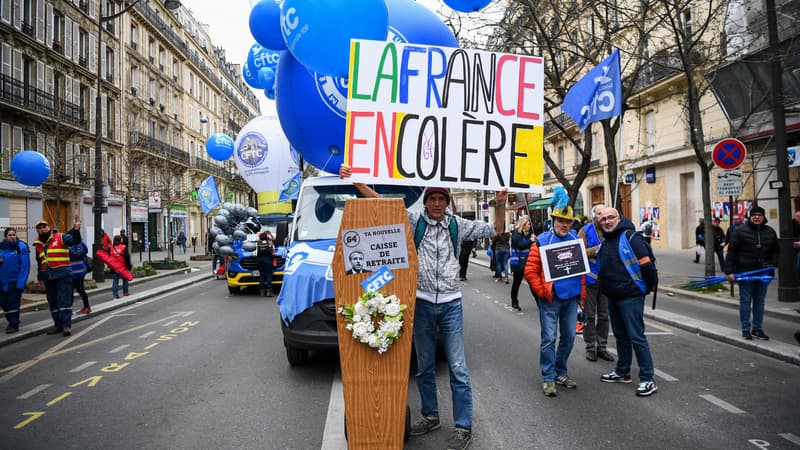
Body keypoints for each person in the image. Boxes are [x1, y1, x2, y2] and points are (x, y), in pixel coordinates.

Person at [339, 164, 506, 450]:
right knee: (424, 367)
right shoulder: (414, 222)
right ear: (426, 201)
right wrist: (356, 181)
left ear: (447, 202)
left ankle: (463, 426)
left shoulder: (458, 225)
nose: (437, 204)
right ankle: (430, 415)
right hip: (422, 303)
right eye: (433, 199)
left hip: (452, 303)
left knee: (458, 367)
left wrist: (500, 205)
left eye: (442, 199)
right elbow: (381, 203)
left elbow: (496, 229)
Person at [524, 203, 585, 397]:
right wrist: (542, 291)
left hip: (571, 298)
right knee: (549, 338)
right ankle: (548, 377)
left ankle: (560, 372)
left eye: (568, 221)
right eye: (561, 220)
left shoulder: (576, 239)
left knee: (569, 337)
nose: (564, 225)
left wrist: (582, 295)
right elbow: (530, 271)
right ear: (554, 221)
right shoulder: (541, 241)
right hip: (551, 299)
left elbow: (581, 269)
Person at [596, 207, 659, 397]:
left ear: (619, 218)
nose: (607, 221)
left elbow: (647, 264)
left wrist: (647, 287)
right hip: (613, 296)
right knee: (621, 336)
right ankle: (623, 372)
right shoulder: (607, 240)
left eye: (610, 218)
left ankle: (648, 379)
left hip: (630, 296)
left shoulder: (632, 237)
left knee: (636, 337)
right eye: (603, 219)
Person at [724, 206, 779, 340]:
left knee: (759, 302)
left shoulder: (770, 232)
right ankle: (746, 329)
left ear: (763, 217)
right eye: (754, 214)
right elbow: (731, 253)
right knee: (745, 301)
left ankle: (757, 329)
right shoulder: (740, 231)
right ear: (750, 216)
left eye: (760, 214)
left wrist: (773, 263)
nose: (757, 217)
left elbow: (776, 251)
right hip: (745, 272)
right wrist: (729, 271)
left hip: (763, 272)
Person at [578, 204, 614, 363]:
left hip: (607, 279)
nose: (602, 217)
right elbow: (579, 252)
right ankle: (590, 348)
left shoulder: (611, 229)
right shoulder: (584, 231)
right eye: (599, 214)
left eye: (604, 214)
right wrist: (597, 249)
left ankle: (602, 347)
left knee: (605, 316)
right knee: (590, 315)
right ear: (594, 216)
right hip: (590, 279)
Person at [34, 219, 82, 337]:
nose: (42, 229)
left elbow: (76, 241)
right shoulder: (38, 244)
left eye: (44, 226)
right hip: (48, 277)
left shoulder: (60, 237)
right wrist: (40, 277)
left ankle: (66, 325)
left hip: (63, 275)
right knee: (53, 301)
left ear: (49, 227)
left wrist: (76, 230)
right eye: (39, 228)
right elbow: (40, 262)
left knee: (64, 300)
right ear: (37, 231)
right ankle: (58, 325)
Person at [0, 228, 31, 334]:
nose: (13, 236)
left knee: (13, 303)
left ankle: (14, 325)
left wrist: (21, 282)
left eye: (14, 234)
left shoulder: (21, 246)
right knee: (3, 303)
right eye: (10, 235)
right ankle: (12, 321)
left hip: (14, 281)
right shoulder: (1, 247)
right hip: (2, 281)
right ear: (5, 237)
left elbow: (24, 266)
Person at [509, 216, 534, 311]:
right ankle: (514, 302)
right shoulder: (516, 235)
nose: (529, 226)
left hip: (525, 262)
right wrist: (531, 241)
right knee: (517, 283)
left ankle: (539, 301)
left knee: (532, 282)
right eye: (528, 224)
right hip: (518, 263)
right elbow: (520, 246)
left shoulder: (524, 235)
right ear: (523, 225)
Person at [69, 241, 91, 314]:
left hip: (77, 271)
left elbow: (79, 254)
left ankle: (86, 307)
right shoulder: (81, 243)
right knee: (76, 290)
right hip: (77, 271)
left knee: (79, 290)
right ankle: (85, 307)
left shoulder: (75, 245)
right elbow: (86, 250)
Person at [108, 234, 132, 299]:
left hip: (114, 267)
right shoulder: (124, 247)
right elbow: (127, 257)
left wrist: (109, 266)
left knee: (115, 281)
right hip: (123, 266)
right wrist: (129, 266)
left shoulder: (111, 248)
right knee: (125, 279)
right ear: (120, 240)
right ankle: (125, 292)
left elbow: (108, 258)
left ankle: (115, 294)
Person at [256, 231, 276, 296]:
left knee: (261, 276)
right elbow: (273, 252)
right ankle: (269, 292)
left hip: (259, 260)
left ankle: (262, 291)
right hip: (268, 260)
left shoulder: (257, 243)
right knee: (268, 275)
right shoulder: (270, 243)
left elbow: (255, 253)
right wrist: (273, 259)